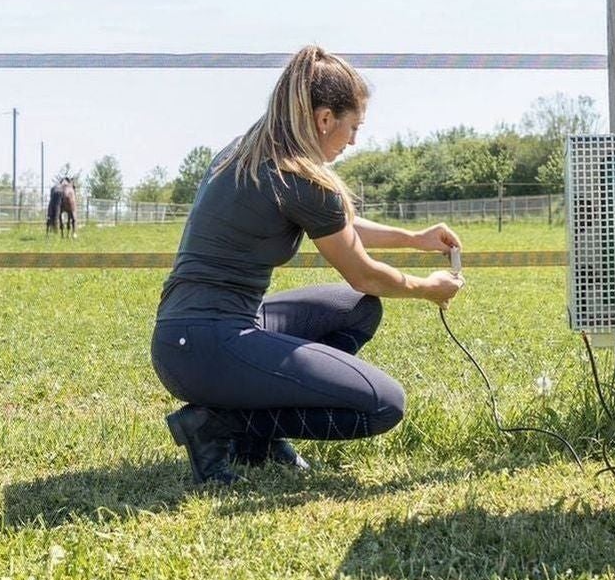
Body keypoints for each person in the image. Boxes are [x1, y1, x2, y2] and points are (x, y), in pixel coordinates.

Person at [150, 45, 463, 484]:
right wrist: (428, 288)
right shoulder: (298, 177)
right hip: (206, 346)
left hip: (187, 336)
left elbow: (341, 225)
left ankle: (256, 439)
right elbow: (364, 272)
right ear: (323, 119)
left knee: (358, 306)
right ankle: (221, 426)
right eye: (353, 127)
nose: (354, 141)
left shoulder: (249, 149)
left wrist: (413, 238)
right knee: (384, 403)